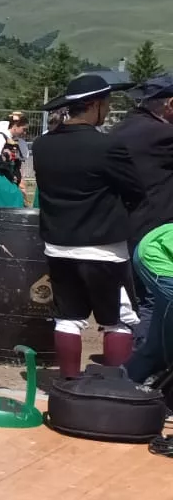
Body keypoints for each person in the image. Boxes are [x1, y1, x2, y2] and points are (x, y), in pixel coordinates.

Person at [33, 73, 142, 379]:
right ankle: (115, 386)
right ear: (93, 105)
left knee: (68, 318)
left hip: (59, 244)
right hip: (104, 247)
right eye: (106, 104)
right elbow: (136, 191)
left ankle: (68, 381)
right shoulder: (106, 147)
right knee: (118, 318)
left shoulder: (42, 146)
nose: (107, 110)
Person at [111, 76, 173, 348]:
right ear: (170, 104)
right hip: (156, 230)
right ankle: (142, 367)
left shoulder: (120, 129)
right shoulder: (162, 135)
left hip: (124, 226)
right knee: (155, 300)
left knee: (133, 298)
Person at [127, 222, 173, 385]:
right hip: (158, 253)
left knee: (156, 345)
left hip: (156, 246)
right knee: (166, 343)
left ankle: (125, 383)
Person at [0, 112, 27, 187]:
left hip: (10, 179)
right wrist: (9, 173)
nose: (24, 132)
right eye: (23, 129)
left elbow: (18, 162)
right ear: (15, 126)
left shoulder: (18, 141)